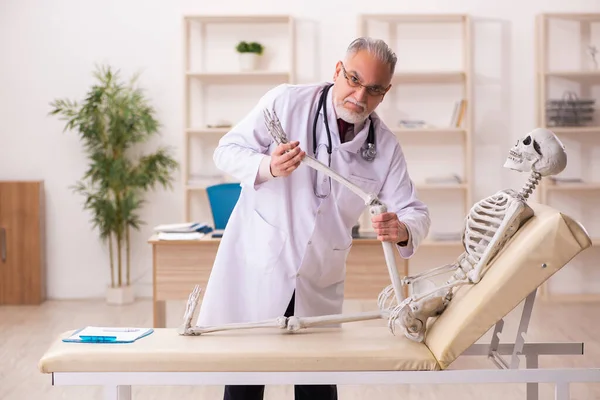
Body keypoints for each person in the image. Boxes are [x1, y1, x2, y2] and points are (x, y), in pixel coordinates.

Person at [197, 37, 431, 400]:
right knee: (244, 381)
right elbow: (226, 151)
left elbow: (415, 212)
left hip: (319, 276)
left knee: (318, 385)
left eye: (373, 89)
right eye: (353, 80)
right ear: (338, 71)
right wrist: (267, 166)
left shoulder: (384, 146)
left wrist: (402, 229)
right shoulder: (286, 102)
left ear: (385, 92)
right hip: (260, 265)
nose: (360, 96)